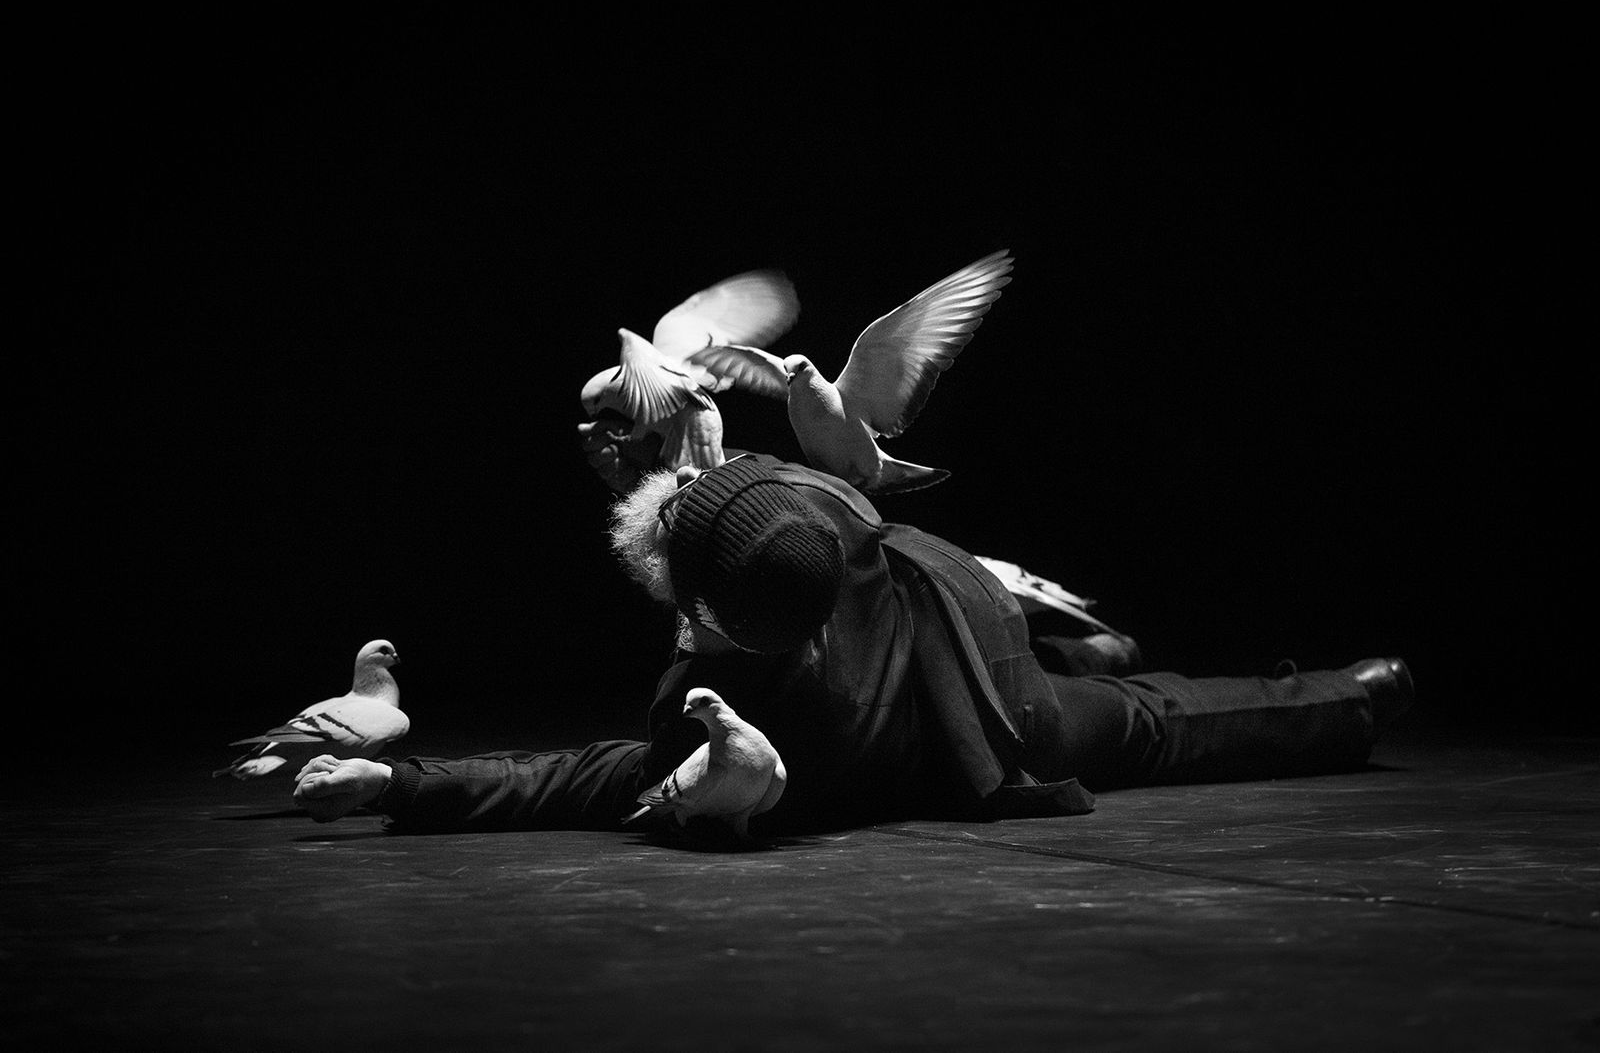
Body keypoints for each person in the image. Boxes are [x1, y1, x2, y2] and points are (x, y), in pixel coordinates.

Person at [293, 415, 1414, 840]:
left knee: (1139, 715)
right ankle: (1351, 696)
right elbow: (765, 489)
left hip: (968, 732)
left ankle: (1100, 656)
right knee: (1156, 722)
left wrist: (404, 783)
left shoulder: (734, 717)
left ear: (698, 603)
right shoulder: (832, 527)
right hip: (989, 680)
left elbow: (575, 777)